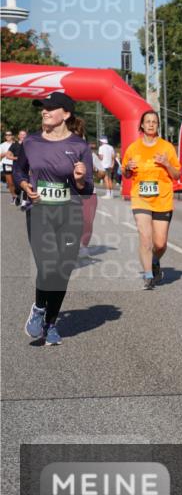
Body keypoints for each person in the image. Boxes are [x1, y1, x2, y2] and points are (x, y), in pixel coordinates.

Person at [13, 92, 94, 346]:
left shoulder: (80, 147)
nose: (44, 111)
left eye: (50, 108)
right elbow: (18, 170)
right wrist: (24, 185)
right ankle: (39, 308)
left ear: (66, 114)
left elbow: (88, 188)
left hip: (69, 213)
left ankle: (51, 323)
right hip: (39, 211)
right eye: (43, 108)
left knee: (62, 271)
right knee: (48, 266)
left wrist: (79, 180)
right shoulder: (31, 142)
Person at [122, 111, 181, 290]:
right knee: (145, 238)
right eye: (147, 121)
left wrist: (167, 163)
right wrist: (127, 168)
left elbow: (177, 175)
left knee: (160, 244)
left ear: (157, 125)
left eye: (154, 122)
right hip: (140, 199)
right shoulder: (133, 148)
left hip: (162, 199)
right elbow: (125, 174)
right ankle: (148, 276)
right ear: (141, 125)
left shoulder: (167, 147)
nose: (150, 124)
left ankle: (155, 261)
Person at [1, 129, 16, 202]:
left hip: (16, 164)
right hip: (7, 164)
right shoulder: (2, 145)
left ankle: (19, 195)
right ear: (5, 136)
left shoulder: (16, 144)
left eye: (9, 135)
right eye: (6, 135)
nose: (8, 136)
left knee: (17, 181)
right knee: (10, 183)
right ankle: (14, 196)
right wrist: (7, 153)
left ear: (12, 136)